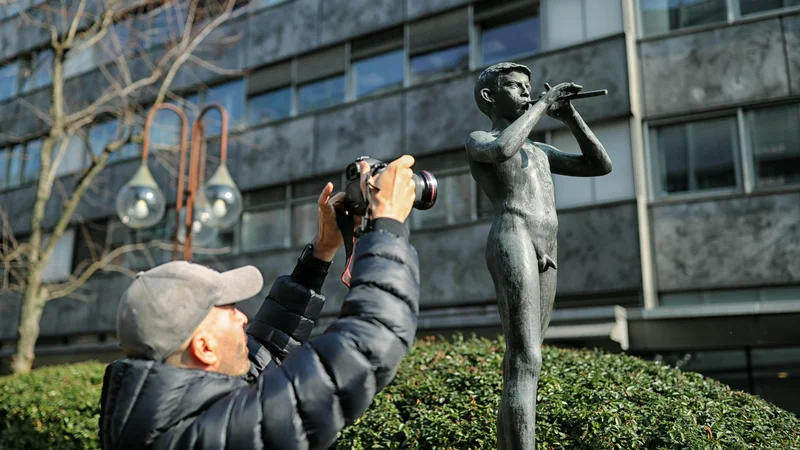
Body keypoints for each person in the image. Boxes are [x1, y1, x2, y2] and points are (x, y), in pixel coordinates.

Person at [99, 155, 420, 450]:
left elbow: (261, 362)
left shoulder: (160, 416)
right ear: (204, 348)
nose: (242, 317)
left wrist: (321, 253)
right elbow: (369, 343)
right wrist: (386, 223)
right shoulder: (209, 437)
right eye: (227, 309)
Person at [466, 62, 612, 449]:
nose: (526, 93)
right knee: (525, 357)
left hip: (548, 247)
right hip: (513, 235)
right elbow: (501, 149)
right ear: (489, 97)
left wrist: (570, 116)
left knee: (527, 360)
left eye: (528, 87)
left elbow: (600, 165)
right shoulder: (480, 137)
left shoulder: (540, 150)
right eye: (515, 87)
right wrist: (544, 103)